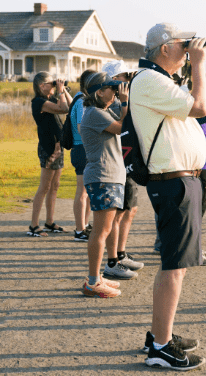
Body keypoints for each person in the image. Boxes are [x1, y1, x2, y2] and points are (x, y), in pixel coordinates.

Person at [132, 23, 206, 371]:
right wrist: (199, 64)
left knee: (176, 264)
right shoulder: (149, 80)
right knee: (174, 266)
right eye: (184, 45)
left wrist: (191, 63)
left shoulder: (159, 80)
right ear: (165, 48)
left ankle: (160, 334)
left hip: (180, 180)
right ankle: (160, 347)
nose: (190, 49)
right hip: (173, 182)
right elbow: (200, 107)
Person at [80, 72, 134, 298]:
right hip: (103, 177)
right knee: (101, 231)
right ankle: (93, 282)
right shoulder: (93, 113)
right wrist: (125, 102)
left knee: (105, 229)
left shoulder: (101, 111)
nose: (115, 91)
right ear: (98, 92)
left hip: (109, 177)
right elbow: (123, 127)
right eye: (111, 88)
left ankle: (98, 277)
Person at [101, 60, 144, 274]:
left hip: (128, 160)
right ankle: (114, 259)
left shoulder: (122, 99)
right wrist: (125, 102)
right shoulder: (111, 103)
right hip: (118, 163)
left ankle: (121, 253)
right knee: (118, 214)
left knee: (130, 210)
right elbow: (121, 126)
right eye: (124, 77)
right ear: (114, 80)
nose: (129, 80)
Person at [27, 72, 73, 237]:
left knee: (55, 186)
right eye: (51, 83)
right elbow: (63, 109)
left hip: (58, 147)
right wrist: (59, 91)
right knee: (45, 187)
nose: (54, 85)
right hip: (48, 149)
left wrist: (63, 89)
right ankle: (33, 225)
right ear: (41, 86)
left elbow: (71, 105)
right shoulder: (39, 102)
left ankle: (49, 221)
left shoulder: (50, 99)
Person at [69, 69, 96, 242]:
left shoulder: (79, 99)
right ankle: (79, 230)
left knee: (86, 192)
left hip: (82, 148)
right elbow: (81, 128)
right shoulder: (81, 102)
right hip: (81, 148)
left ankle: (84, 226)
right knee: (82, 192)